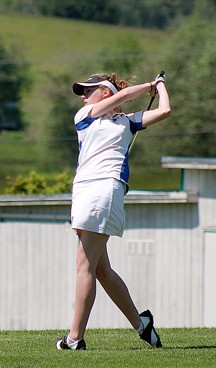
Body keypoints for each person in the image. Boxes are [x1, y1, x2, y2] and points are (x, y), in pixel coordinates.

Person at [56, 72, 170, 350]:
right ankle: (142, 325)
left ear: (104, 92)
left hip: (105, 190)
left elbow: (164, 110)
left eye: (89, 90)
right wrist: (149, 86)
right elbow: (123, 96)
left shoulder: (128, 121)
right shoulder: (84, 115)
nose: (83, 95)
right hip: (83, 191)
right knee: (102, 270)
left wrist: (160, 86)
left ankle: (74, 338)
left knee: (85, 266)